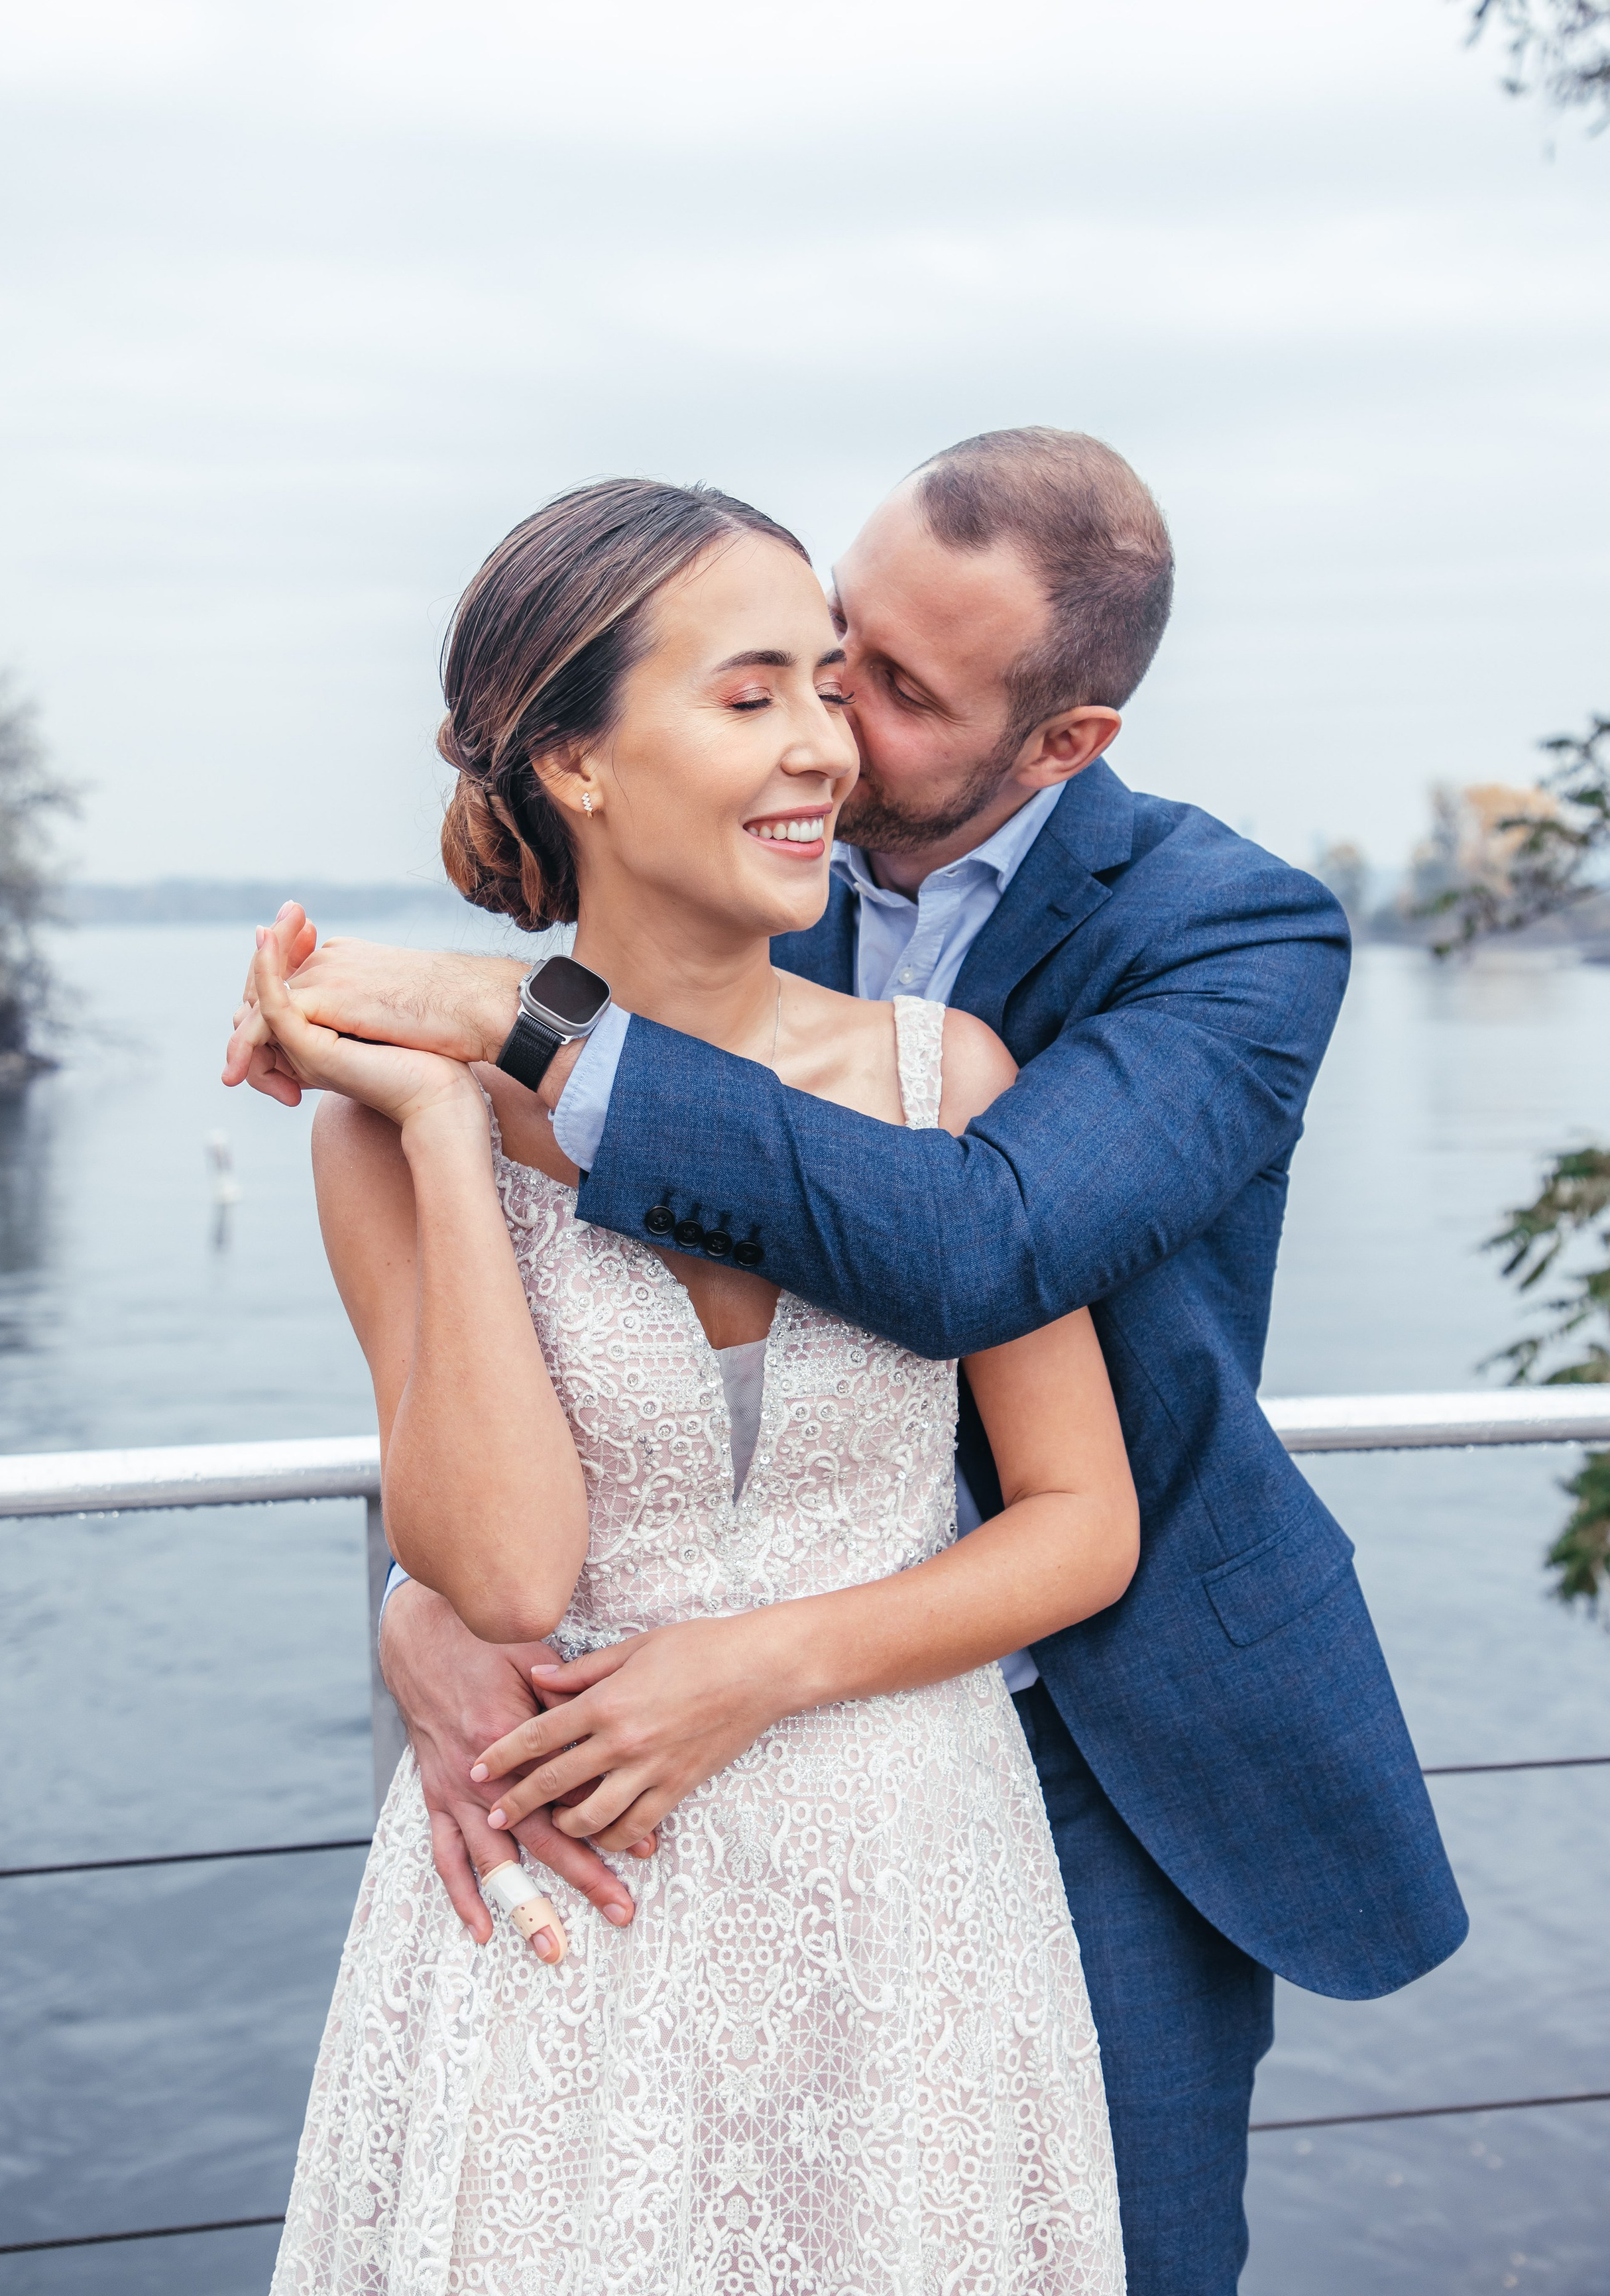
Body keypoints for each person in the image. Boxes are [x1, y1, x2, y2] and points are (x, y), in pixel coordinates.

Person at [229, 429, 1468, 2296]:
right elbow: (508, 1469)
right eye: (811, 659)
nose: (835, 732)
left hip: (1067, 1762)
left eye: (884, 688)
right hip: (605, 1814)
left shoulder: (1221, 936)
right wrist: (427, 1598)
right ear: (579, 760)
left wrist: (514, 1018)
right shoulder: (613, 964)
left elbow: (978, 1243)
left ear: (1061, 741)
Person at [258, 478, 1135, 2295]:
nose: (825, 744)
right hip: (573, 1905)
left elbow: (1079, 1524)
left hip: (911, 1897)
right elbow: (509, 1575)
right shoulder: (381, 1126)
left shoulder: (948, 1080)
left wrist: (756, 1667)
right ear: (574, 762)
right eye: (752, 695)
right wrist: (443, 1130)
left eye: (827, 683)